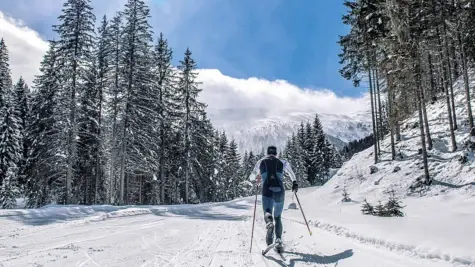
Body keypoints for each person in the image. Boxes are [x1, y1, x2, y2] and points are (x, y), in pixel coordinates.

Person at [249, 145, 298, 253]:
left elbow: (251, 177)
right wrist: (294, 182)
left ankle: (269, 223)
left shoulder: (260, 162)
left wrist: (257, 177)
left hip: (267, 190)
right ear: (276, 153)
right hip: (280, 191)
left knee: (267, 211)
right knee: (278, 217)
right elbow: (291, 173)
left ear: (267, 152)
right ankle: (279, 240)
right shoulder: (282, 162)